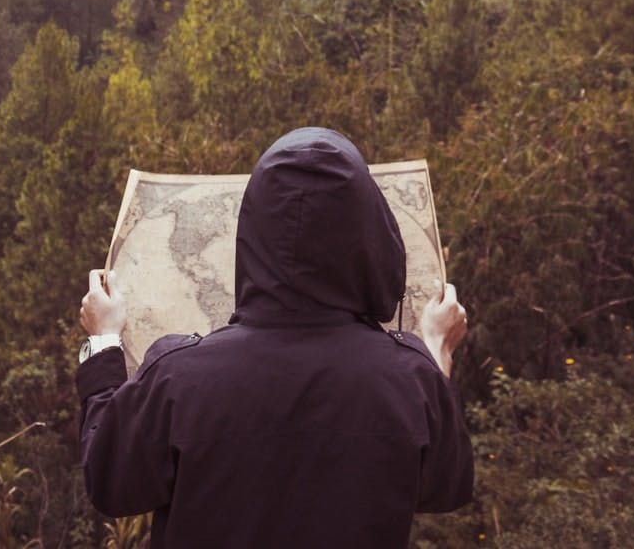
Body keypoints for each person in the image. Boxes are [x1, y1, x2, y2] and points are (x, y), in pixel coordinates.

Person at [77, 127, 473, 548]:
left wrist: (102, 342)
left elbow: (110, 482)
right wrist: (435, 351)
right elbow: (445, 488)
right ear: (372, 235)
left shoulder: (177, 376)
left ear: (252, 233)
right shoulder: (411, 378)